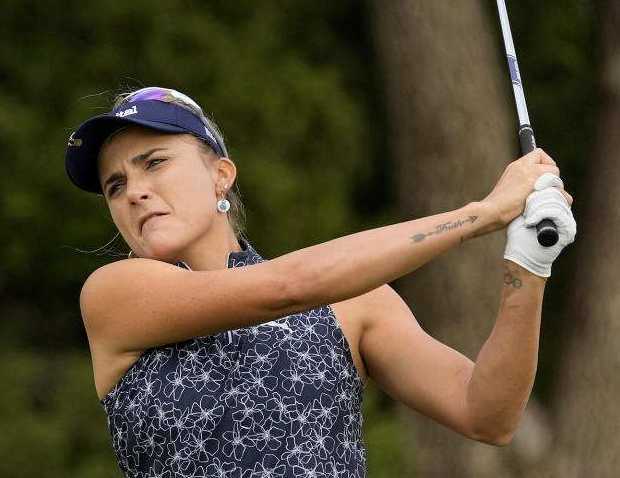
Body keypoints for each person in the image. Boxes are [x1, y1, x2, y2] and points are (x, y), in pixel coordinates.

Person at [66, 86, 576, 477]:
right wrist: (480, 215)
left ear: (221, 174)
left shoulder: (355, 304)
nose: (134, 192)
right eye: (116, 186)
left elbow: (488, 414)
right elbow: (285, 288)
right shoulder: (114, 295)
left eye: (153, 162)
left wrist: (529, 263)